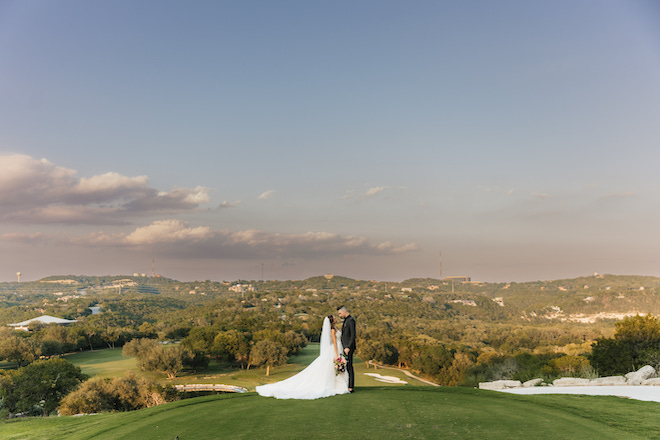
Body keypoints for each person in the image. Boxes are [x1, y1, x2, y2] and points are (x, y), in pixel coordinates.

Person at [255, 315, 349, 399]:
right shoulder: (332, 330)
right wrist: (337, 355)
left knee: (334, 369)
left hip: (338, 349)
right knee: (331, 368)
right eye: (335, 317)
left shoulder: (335, 328)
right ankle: (333, 385)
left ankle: (337, 385)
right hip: (334, 350)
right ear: (332, 321)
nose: (336, 318)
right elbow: (334, 343)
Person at [337, 305, 356, 393]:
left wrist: (348, 347)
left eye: (340, 313)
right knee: (346, 367)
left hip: (349, 348)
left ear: (344, 311)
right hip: (345, 348)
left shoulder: (351, 320)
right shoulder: (346, 320)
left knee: (349, 367)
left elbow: (352, 335)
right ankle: (347, 385)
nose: (340, 315)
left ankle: (351, 387)